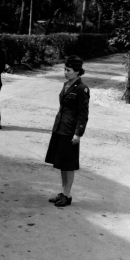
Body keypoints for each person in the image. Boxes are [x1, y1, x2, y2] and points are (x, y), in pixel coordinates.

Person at [45, 55, 89, 207]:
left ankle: (68, 195)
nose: (65, 72)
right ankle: (63, 192)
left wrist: (78, 133)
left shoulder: (82, 89)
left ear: (77, 71)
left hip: (70, 131)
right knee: (62, 163)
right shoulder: (66, 85)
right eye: (64, 69)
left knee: (68, 164)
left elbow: (83, 115)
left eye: (68, 70)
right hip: (60, 127)